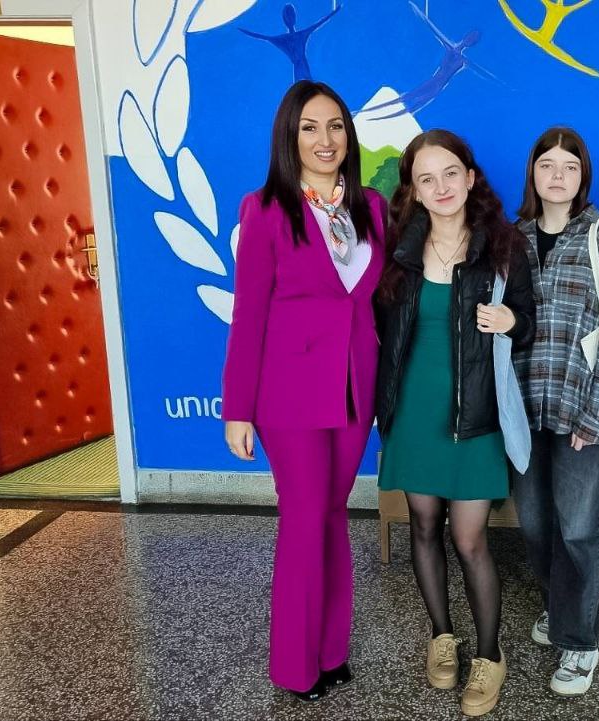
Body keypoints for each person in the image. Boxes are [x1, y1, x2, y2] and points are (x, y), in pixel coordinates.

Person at [221, 80, 387, 702]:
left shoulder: (371, 208)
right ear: (289, 137)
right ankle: (295, 665)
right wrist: (237, 408)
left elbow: (378, 298)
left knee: (333, 514)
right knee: (303, 519)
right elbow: (249, 315)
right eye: (310, 127)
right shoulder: (265, 209)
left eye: (336, 126)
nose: (325, 139)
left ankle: (331, 652)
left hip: (354, 389)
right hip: (288, 395)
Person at [374, 129, 535, 717]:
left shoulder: (503, 246)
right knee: (422, 525)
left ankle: (490, 655)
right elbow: (381, 329)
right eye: (426, 178)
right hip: (415, 409)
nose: (440, 187)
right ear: (413, 191)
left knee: (469, 540)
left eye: (449, 174)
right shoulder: (400, 249)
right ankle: (442, 636)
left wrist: (511, 320)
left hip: (477, 413)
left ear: (470, 178)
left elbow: (530, 322)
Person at [510, 127, 599, 696]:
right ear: (533, 172)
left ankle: (579, 642)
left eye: (570, 166)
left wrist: (598, 414)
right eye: (548, 164)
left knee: (580, 529)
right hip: (524, 411)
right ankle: (562, 606)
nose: (558, 175)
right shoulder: (514, 237)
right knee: (535, 523)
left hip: (581, 412)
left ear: (582, 175)